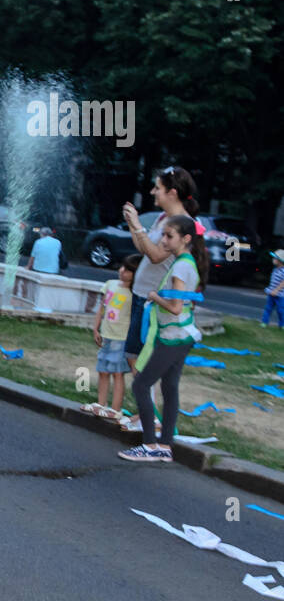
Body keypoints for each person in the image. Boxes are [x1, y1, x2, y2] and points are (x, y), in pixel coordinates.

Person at [119, 215, 207, 462]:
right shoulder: (185, 262)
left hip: (174, 336)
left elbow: (176, 306)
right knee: (169, 388)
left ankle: (149, 444)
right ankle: (165, 446)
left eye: (169, 235)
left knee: (140, 384)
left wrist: (153, 296)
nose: (164, 239)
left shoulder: (180, 266)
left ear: (186, 238)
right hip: (180, 335)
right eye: (164, 234)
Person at [122, 166, 200, 378]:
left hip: (153, 300)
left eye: (157, 188)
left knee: (139, 357)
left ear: (172, 193)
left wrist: (138, 225)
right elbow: (144, 250)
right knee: (134, 354)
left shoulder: (182, 225)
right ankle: (146, 407)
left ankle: (149, 409)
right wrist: (132, 224)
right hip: (142, 295)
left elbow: (156, 256)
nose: (152, 192)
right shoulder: (162, 218)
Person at [82, 253, 138, 419]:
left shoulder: (135, 294)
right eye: (122, 267)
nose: (122, 271)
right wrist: (96, 328)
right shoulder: (110, 284)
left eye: (128, 270)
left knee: (117, 372)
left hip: (121, 338)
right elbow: (102, 308)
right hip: (106, 335)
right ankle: (101, 403)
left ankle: (115, 408)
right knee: (103, 370)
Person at [262, 249, 284, 328]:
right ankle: (264, 322)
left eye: (274, 258)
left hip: (280, 295)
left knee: (281, 310)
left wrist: (276, 290)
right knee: (268, 308)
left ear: (280, 260)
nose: (273, 259)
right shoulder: (275, 269)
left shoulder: (283, 270)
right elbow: (273, 282)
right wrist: (270, 290)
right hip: (271, 293)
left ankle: (282, 324)